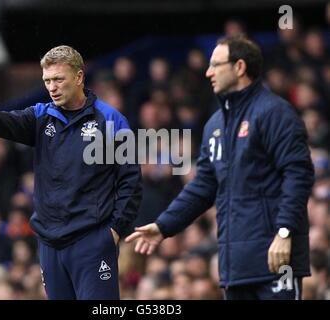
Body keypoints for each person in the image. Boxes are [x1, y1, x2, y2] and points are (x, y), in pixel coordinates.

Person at [126, 36, 314, 300]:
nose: (208, 71)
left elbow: (298, 175)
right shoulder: (215, 125)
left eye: (216, 64)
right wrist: (164, 226)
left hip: (276, 258)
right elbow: (203, 187)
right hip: (235, 264)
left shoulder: (275, 113)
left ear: (239, 67)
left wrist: (285, 232)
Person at [0, 45, 142, 300]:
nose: (52, 87)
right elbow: (14, 121)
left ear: (79, 77)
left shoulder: (111, 120)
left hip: (91, 241)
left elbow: (130, 181)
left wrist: (114, 230)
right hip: (50, 244)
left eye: (58, 79)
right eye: (47, 81)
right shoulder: (42, 115)